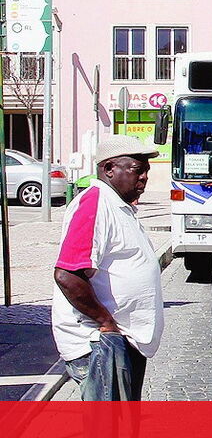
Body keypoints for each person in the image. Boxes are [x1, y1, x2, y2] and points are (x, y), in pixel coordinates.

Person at [52, 135, 164, 401]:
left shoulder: (117, 205)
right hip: (101, 342)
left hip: (120, 340)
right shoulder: (95, 202)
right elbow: (67, 274)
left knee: (122, 424)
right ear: (109, 168)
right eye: (137, 170)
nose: (144, 177)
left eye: (146, 171)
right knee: (108, 426)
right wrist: (105, 321)